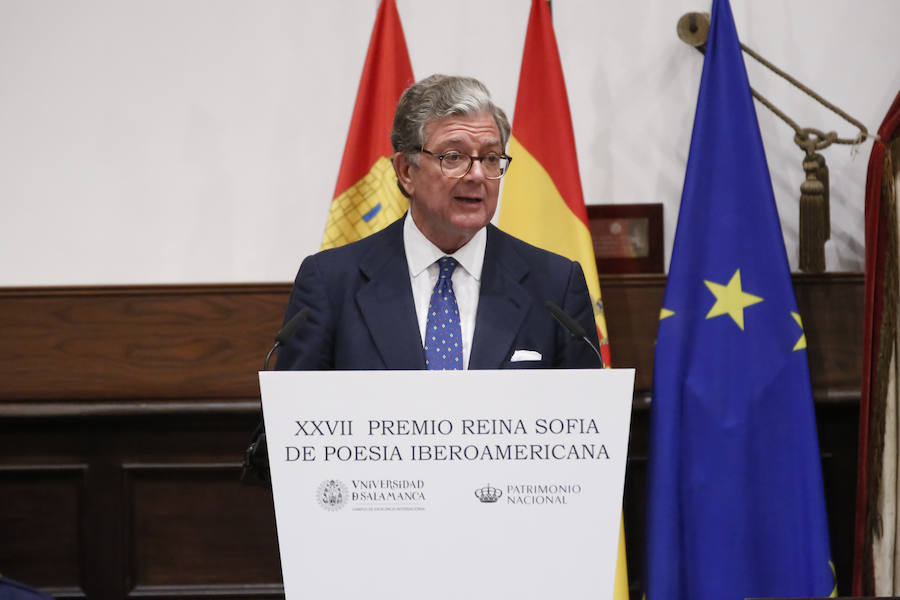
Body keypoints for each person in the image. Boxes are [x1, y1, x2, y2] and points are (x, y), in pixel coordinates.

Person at [275, 74, 601, 371]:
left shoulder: (555, 286)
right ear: (406, 171)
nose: (477, 175)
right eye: (453, 157)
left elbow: (588, 423)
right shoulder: (332, 284)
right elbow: (287, 428)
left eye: (490, 158)